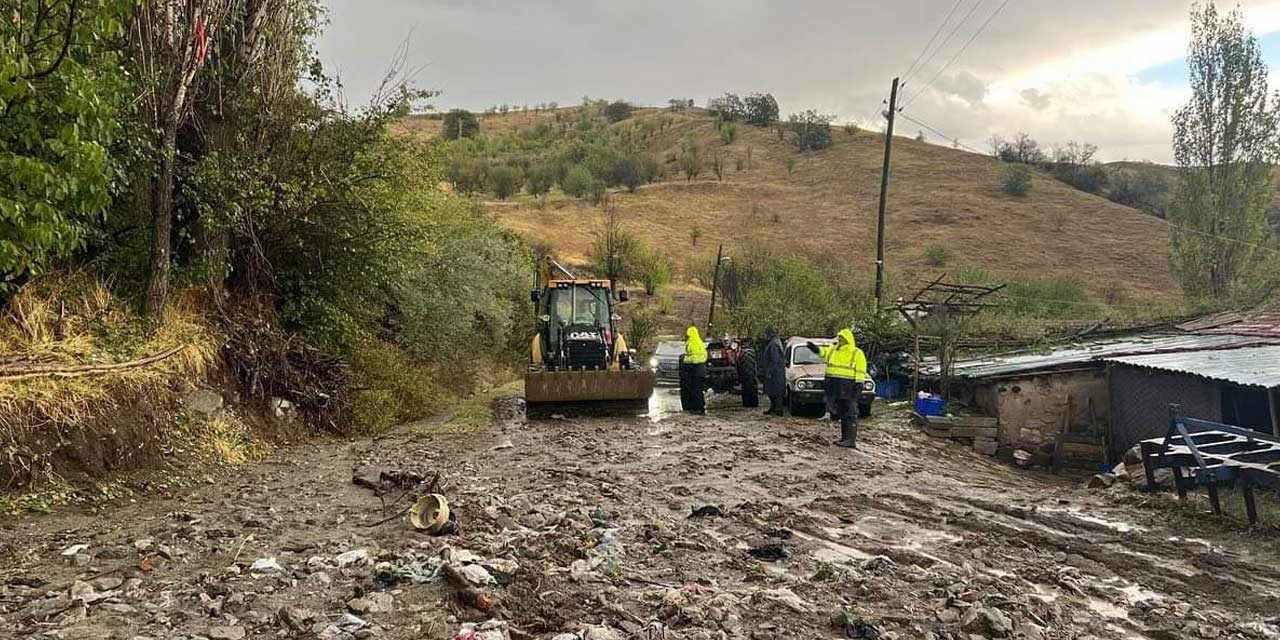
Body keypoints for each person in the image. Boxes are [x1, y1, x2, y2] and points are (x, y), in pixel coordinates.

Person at [807, 328, 867, 448]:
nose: (839, 340)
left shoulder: (856, 353)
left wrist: (859, 383)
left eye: (842, 338)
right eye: (839, 337)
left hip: (849, 386)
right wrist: (815, 349)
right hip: (836, 386)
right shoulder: (833, 350)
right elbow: (823, 352)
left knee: (850, 413)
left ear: (847, 340)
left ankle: (850, 440)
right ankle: (845, 438)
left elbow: (861, 369)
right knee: (843, 413)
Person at [679, 325, 708, 414]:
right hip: (701, 370)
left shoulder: (692, 343)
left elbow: (694, 358)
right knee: (698, 390)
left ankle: (696, 408)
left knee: (694, 390)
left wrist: (685, 360)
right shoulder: (700, 342)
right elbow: (704, 356)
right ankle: (700, 407)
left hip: (694, 370)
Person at [760, 327, 786, 416]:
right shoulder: (774, 342)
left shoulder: (774, 344)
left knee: (776, 391)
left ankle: (778, 410)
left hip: (776, 372)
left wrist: (770, 371)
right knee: (772, 390)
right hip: (776, 371)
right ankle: (773, 407)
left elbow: (774, 359)